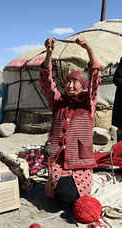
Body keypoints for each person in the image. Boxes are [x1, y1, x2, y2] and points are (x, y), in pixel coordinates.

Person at [39, 37, 101, 205]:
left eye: (75, 82)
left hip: (80, 160)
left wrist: (88, 48)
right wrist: (49, 54)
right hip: (58, 159)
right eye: (67, 82)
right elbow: (46, 81)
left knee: (73, 196)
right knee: (54, 194)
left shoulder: (89, 103)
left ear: (84, 86)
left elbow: (95, 76)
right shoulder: (58, 102)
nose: (70, 86)